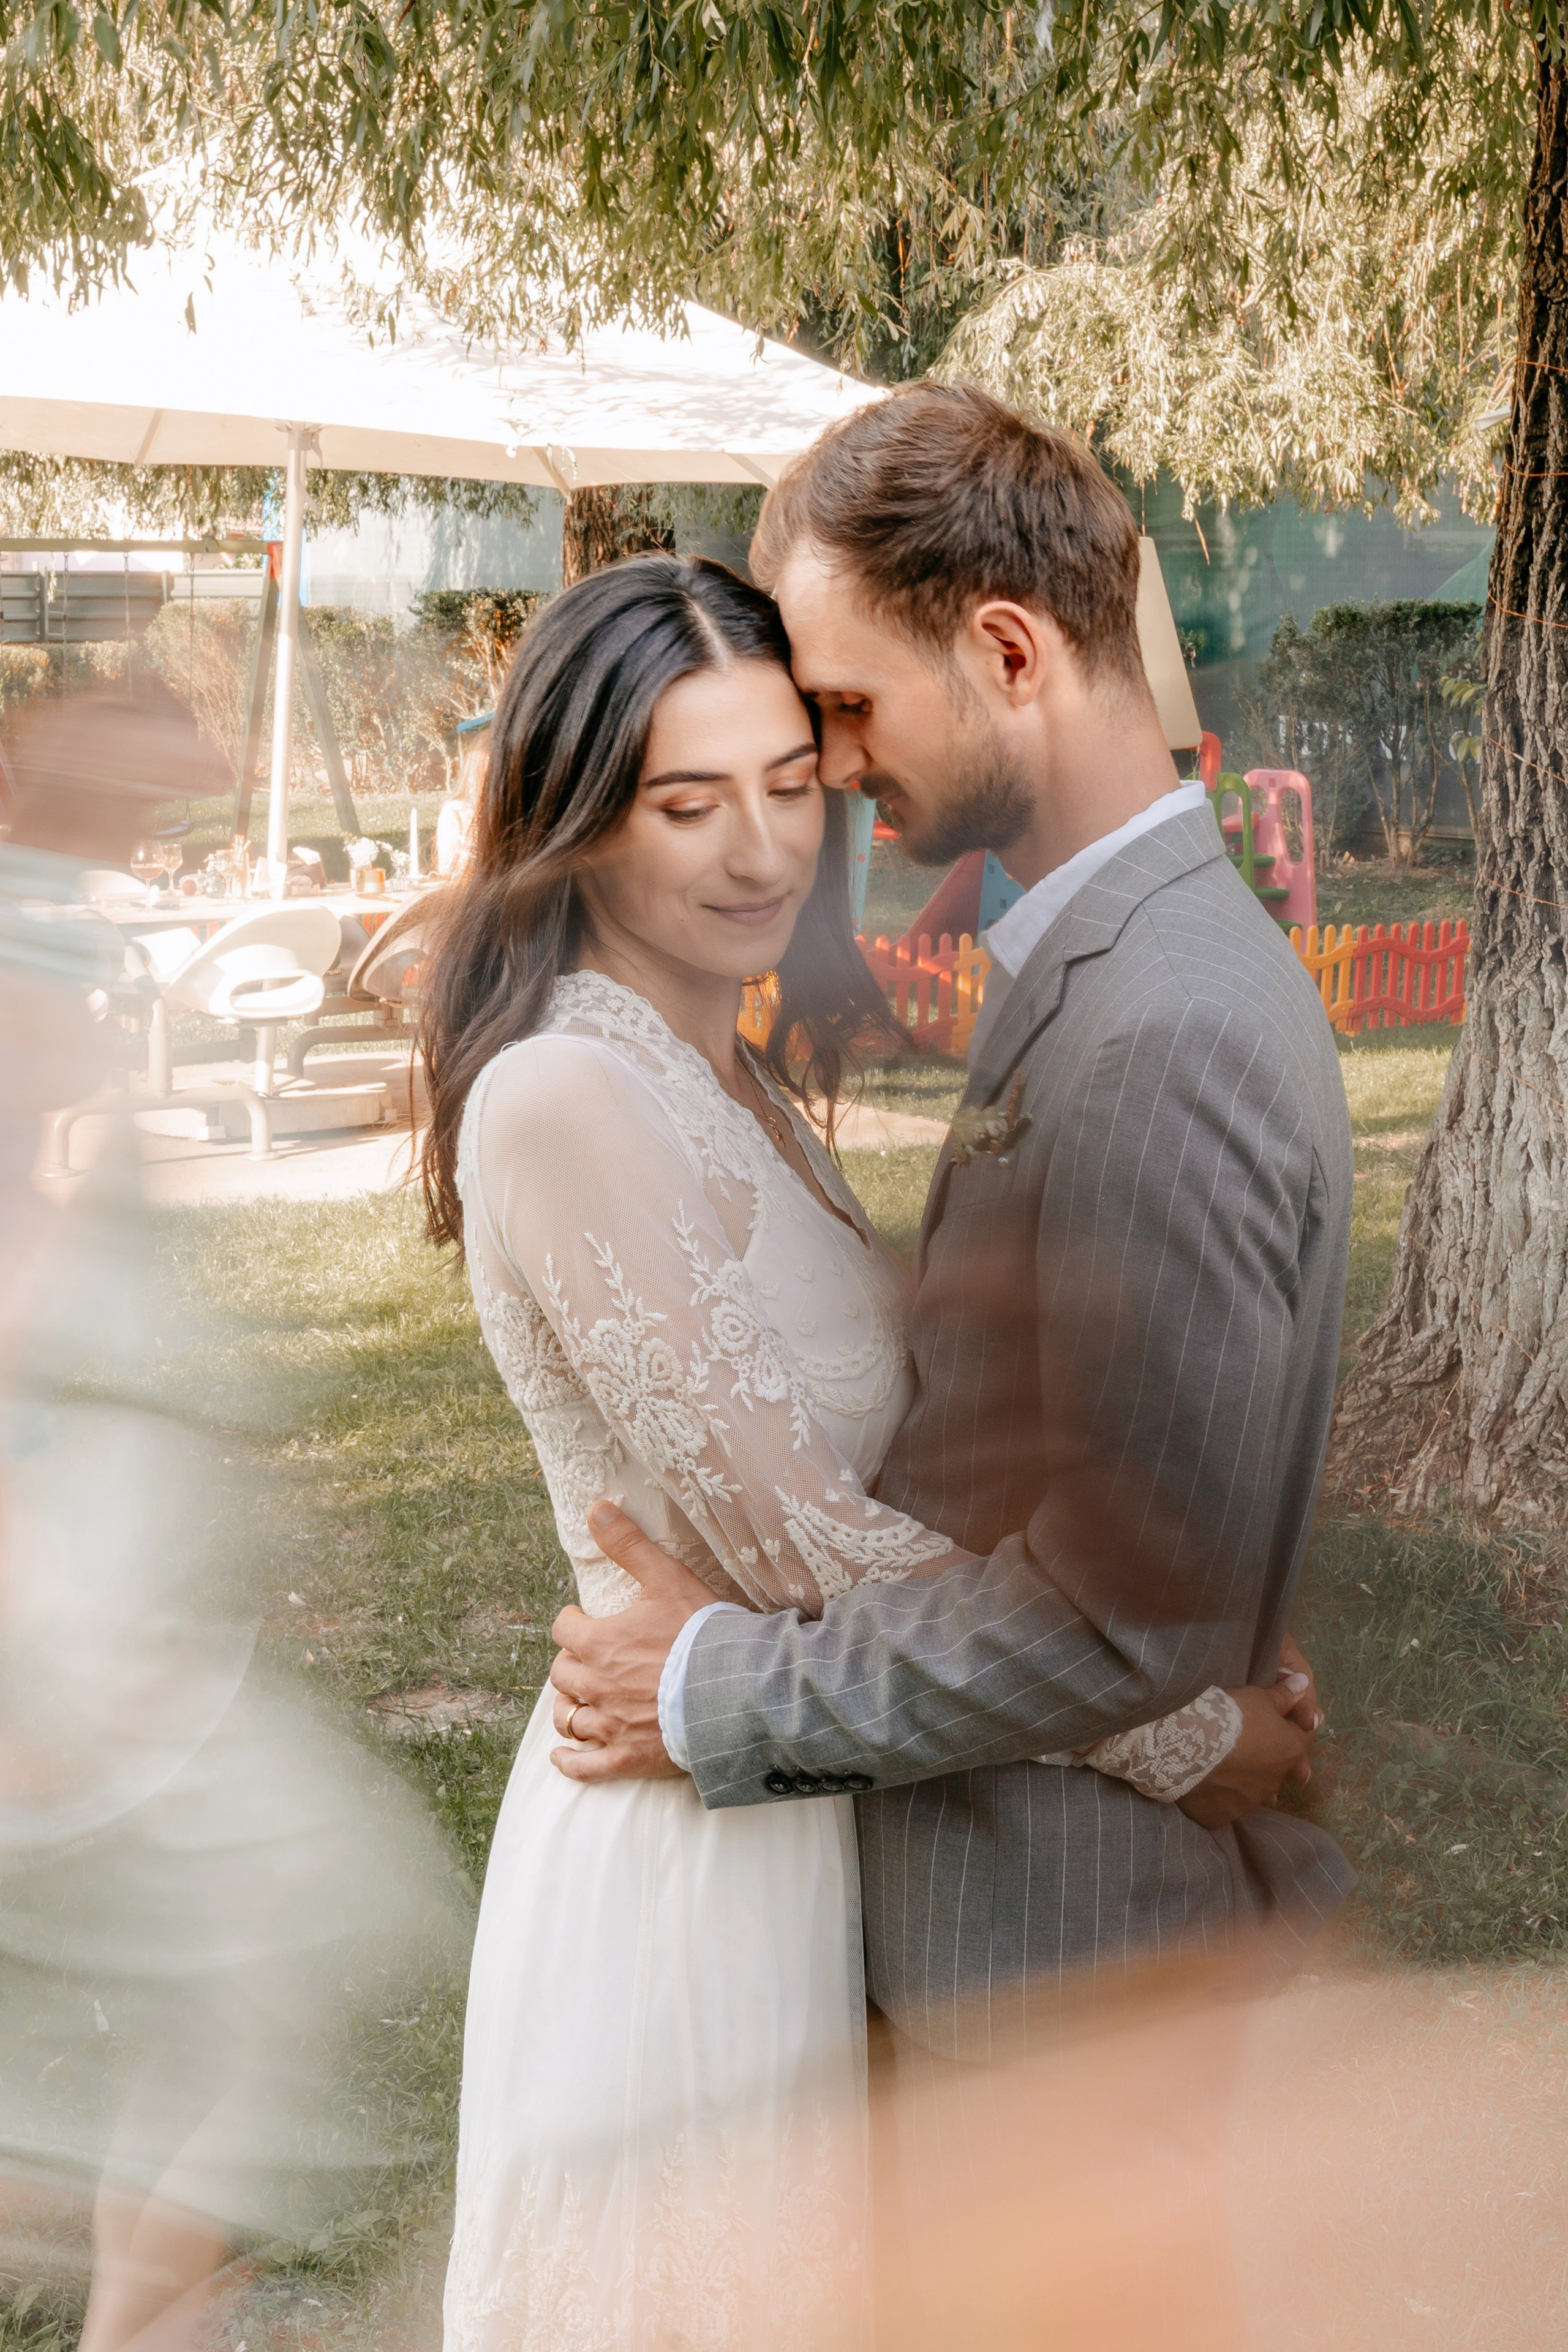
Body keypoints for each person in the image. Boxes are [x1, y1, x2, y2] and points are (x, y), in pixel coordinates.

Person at [418, 552, 1316, 2352]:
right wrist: (1180, 1730)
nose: (759, 851)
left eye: (785, 784)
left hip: (818, 1791)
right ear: (576, 816)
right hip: (686, 1845)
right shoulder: (566, 1093)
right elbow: (801, 1547)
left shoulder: (729, 1073)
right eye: (687, 802)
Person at [546, 388, 1356, 2077]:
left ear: (1006, 656)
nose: (831, 771)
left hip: (1063, 1987)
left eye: (842, 711)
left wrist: (708, 1692)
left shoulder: (1162, 1024)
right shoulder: (1109, 962)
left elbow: (1113, 1624)